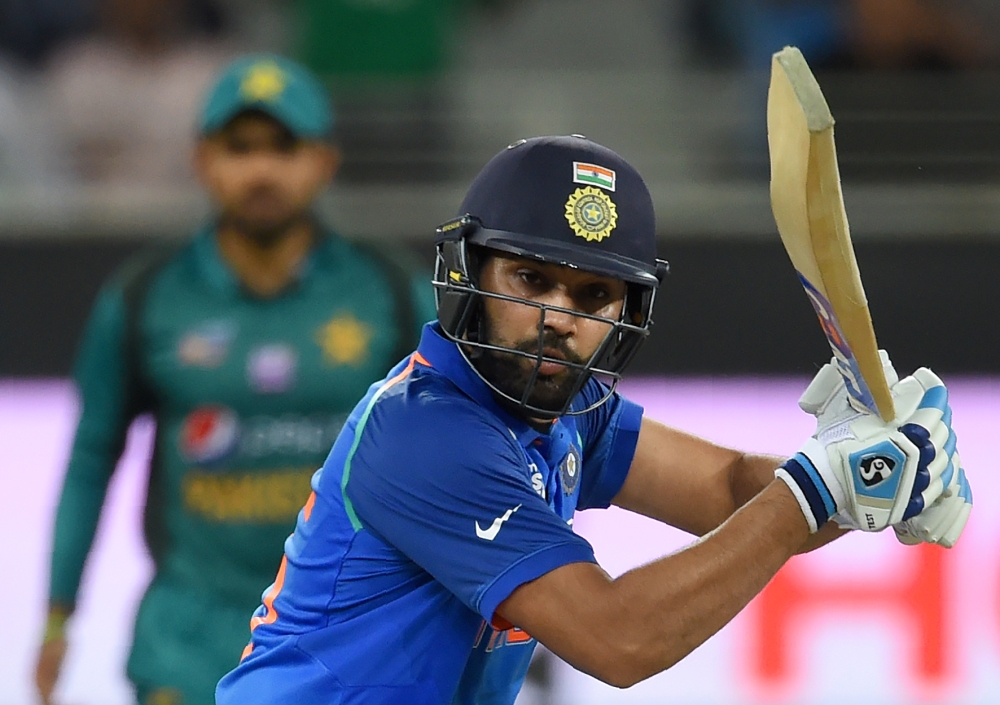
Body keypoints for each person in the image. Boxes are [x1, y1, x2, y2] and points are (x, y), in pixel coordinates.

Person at [214, 134, 973, 704]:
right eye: (531, 278)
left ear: (626, 312)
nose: (557, 320)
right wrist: (816, 486)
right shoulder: (426, 434)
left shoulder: (570, 407)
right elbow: (619, 639)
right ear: (469, 271)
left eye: (591, 297)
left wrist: (864, 468)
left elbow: (727, 486)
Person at [35, 53, 436, 705]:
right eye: (239, 146)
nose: (261, 169)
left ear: (325, 160)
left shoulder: (388, 291)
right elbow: (90, 458)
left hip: (347, 638)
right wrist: (57, 617)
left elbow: (453, 454)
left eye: (284, 146)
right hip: (188, 643)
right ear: (202, 160)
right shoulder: (147, 294)